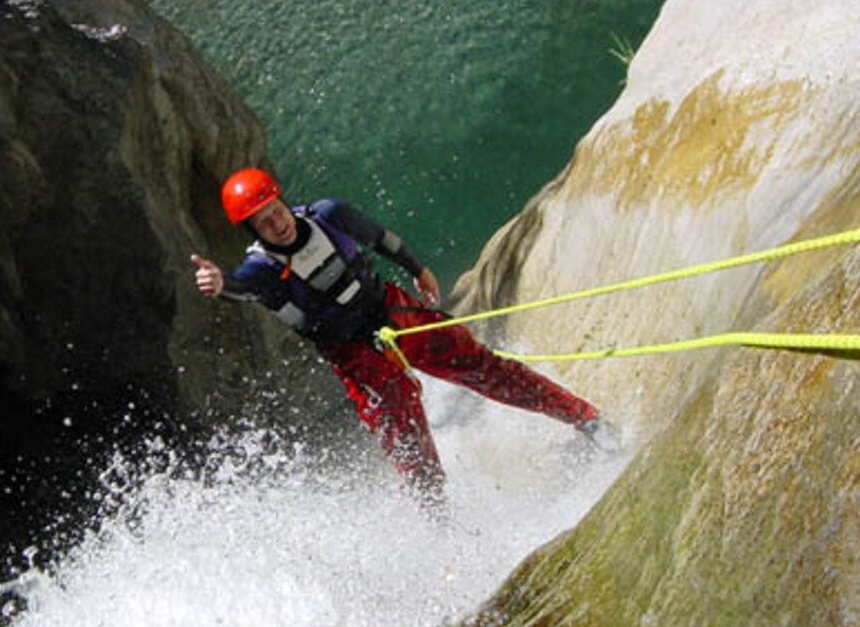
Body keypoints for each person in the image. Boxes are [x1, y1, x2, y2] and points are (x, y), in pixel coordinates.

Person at [191, 168, 602, 505]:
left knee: (481, 366)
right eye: (263, 220)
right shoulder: (261, 269)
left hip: (392, 311)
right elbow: (240, 287)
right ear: (252, 229)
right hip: (353, 352)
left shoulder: (329, 215)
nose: (276, 222)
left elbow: (382, 239)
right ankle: (441, 521)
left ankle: (585, 418)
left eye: (275, 210)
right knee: (403, 435)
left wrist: (418, 269)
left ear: (283, 201)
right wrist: (219, 282)